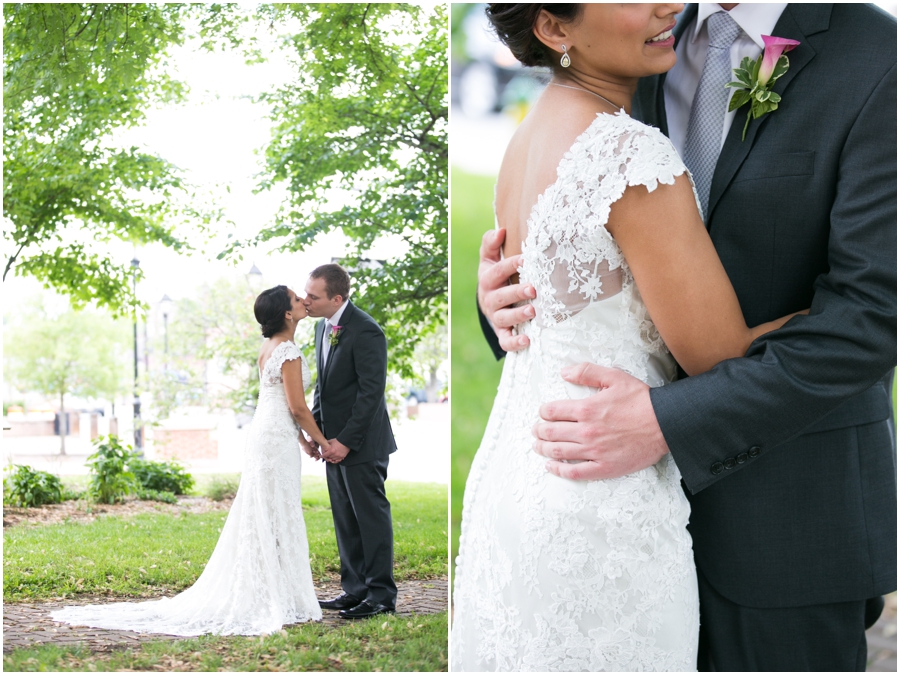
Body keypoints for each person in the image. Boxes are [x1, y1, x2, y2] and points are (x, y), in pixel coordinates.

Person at [477, 3, 897, 671]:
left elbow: (876, 315)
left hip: (786, 528)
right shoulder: (633, 51)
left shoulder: (876, 53)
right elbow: (579, 248)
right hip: (598, 521)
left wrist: (663, 419)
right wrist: (500, 298)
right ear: (555, 29)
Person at [52, 285, 326, 635]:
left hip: (270, 434)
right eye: (296, 298)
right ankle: (273, 594)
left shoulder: (269, 348)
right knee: (276, 511)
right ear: (287, 313)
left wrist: (302, 441)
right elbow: (297, 407)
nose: (303, 301)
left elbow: (283, 405)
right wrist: (321, 441)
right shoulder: (287, 351)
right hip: (274, 440)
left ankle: (273, 590)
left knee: (266, 512)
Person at [304, 263, 398, 619]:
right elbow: (323, 389)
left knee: (370, 519)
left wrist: (345, 441)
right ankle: (354, 589)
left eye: (314, 296)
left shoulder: (367, 331)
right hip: (332, 445)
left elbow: (371, 394)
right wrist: (318, 435)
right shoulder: (320, 327)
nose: (306, 300)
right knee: (346, 518)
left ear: (337, 298)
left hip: (362, 444)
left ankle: (380, 596)